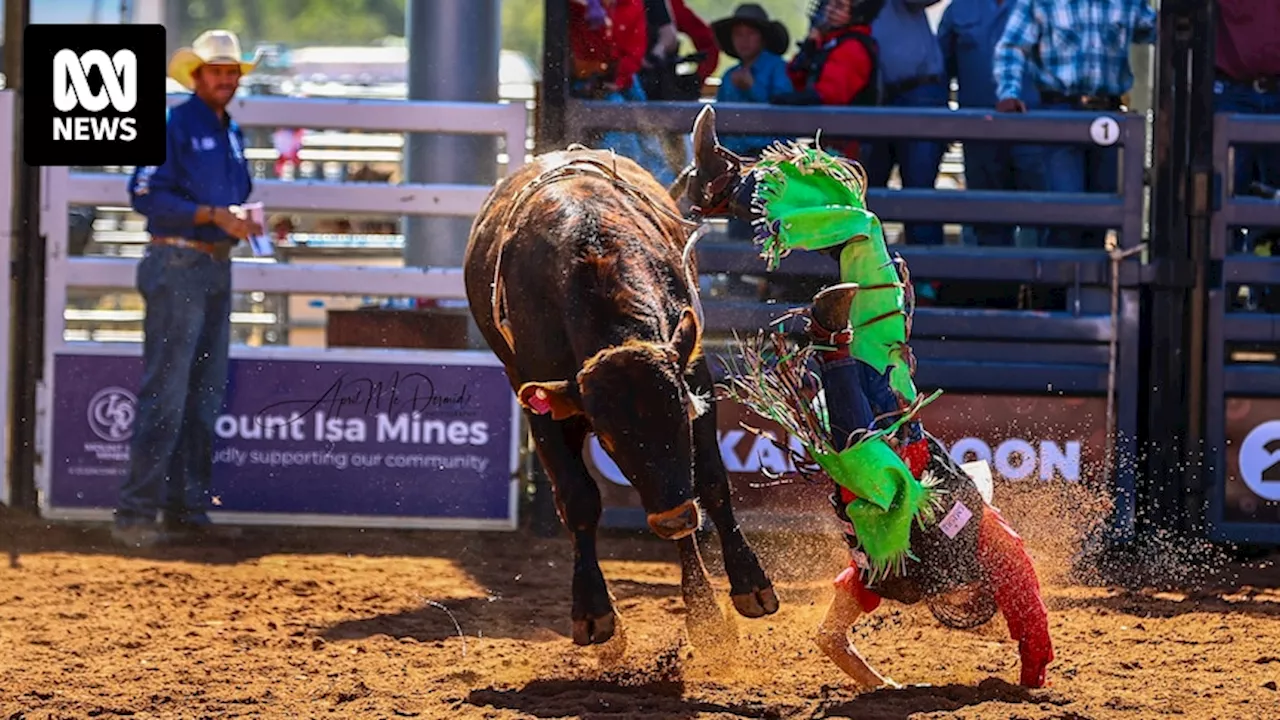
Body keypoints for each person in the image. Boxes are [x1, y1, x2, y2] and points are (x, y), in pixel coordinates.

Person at [685, 106, 1054, 690]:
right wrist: (1032, 665)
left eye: (959, 601)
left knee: (866, 463)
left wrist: (885, 688)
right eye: (969, 596)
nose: (958, 596)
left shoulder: (886, 579)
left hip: (863, 419)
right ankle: (733, 188)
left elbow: (830, 637)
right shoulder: (960, 548)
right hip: (884, 391)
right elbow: (1020, 578)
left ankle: (828, 336)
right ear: (977, 590)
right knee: (861, 230)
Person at [112, 30, 264, 548]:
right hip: (180, 261)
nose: (225, 79)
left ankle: (182, 507)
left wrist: (235, 220)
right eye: (217, 71)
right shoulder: (176, 122)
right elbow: (144, 193)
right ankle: (141, 511)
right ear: (198, 75)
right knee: (171, 392)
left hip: (208, 263)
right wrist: (213, 215)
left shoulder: (226, 129)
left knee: (199, 394)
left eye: (231, 72)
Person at [993, 0, 1157, 250]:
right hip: (1061, 111)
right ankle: (1056, 287)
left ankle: (1089, 288)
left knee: (1102, 216)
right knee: (1066, 213)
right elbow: (1012, 47)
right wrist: (1009, 93)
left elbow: (1160, 29)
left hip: (1107, 115)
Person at [937, 0, 1047, 249]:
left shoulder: (1043, 5)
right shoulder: (959, 9)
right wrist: (943, 127)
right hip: (980, 135)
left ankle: (1036, 284)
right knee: (987, 218)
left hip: (1037, 133)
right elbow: (940, 72)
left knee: (1039, 214)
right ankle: (994, 285)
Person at [861, 0, 948, 250]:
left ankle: (928, 278)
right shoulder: (843, 7)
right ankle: (875, 274)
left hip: (919, 93)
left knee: (919, 192)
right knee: (868, 190)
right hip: (875, 98)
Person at [1214, 0, 1280, 310]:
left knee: (1275, 203)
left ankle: (1269, 301)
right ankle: (1219, 304)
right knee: (1220, 203)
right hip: (1233, 92)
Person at [569, 0, 674, 185]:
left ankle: (661, 185)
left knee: (646, 132)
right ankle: (623, 179)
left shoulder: (632, 4)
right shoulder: (581, 7)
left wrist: (620, 78)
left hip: (622, 79)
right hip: (588, 81)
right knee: (621, 132)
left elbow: (634, 49)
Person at [711, 3, 794, 158]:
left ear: (762, 38)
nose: (744, 40)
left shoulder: (779, 69)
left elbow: (785, 114)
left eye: (750, 33)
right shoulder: (728, 76)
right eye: (738, 34)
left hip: (771, 157)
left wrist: (753, 89)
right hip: (732, 157)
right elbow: (718, 119)